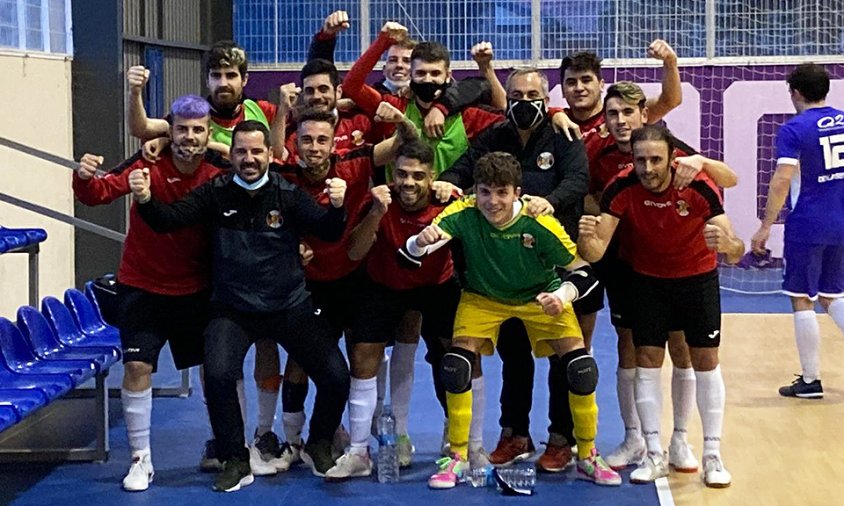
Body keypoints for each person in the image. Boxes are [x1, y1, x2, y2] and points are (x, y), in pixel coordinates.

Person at [131, 120, 351, 492]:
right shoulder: (214, 192)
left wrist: (339, 205)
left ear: (269, 154)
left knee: (336, 377)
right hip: (231, 310)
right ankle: (235, 458)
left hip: (289, 306)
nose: (249, 159)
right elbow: (168, 222)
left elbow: (329, 231)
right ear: (231, 155)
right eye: (241, 152)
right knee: (217, 376)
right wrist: (145, 199)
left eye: (256, 151)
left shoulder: (288, 194)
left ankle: (317, 443)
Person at [410, 152, 621, 489]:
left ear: (516, 192)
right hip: (483, 297)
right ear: (474, 192)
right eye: (484, 192)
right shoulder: (463, 212)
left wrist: (562, 297)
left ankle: (587, 454)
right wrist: (419, 243)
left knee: (580, 369)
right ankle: (458, 456)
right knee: (456, 365)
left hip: (541, 295)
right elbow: (414, 250)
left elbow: (582, 272)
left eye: (501, 193)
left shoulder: (539, 223)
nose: (492, 202)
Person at [127, 41, 287, 467]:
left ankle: (265, 433)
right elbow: (144, 131)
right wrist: (151, 122)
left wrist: (219, 150)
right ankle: (226, 439)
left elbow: (279, 158)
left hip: (260, 252)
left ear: (244, 80)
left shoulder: (262, 114)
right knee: (220, 360)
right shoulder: (189, 116)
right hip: (213, 264)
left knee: (267, 347)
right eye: (216, 76)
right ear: (207, 81)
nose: (223, 83)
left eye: (231, 75)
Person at [439, 67, 592, 472]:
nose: (525, 101)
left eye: (533, 93)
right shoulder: (494, 134)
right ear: (507, 98)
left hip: (550, 266)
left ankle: (562, 440)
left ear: (546, 97)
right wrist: (449, 185)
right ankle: (515, 433)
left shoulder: (563, 133)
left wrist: (550, 202)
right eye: (517, 94)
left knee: (569, 362)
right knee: (514, 357)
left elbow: (578, 180)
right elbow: (464, 167)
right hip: (499, 271)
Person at [72, 95, 227, 491]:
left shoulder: (218, 169)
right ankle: (141, 460)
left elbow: (259, 165)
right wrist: (85, 176)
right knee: (137, 368)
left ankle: (225, 444)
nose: (189, 137)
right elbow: (97, 195)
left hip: (197, 288)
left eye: (197, 130)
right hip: (142, 286)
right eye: (181, 129)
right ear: (168, 130)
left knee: (216, 369)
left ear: (208, 133)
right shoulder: (147, 163)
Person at [579, 124, 745, 488]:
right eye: (641, 160)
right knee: (648, 360)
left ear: (673, 159)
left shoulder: (698, 185)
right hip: (647, 282)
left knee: (704, 361)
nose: (648, 168)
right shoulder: (621, 187)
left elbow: (736, 249)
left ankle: (711, 455)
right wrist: (585, 237)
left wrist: (728, 243)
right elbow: (595, 252)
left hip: (696, 280)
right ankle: (654, 453)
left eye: (656, 159)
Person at [273, 102, 414, 470]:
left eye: (322, 140)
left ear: (334, 143)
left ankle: (349, 440)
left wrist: (400, 119)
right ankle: (291, 441)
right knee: (300, 363)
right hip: (307, 285)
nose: (314, 147)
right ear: (296, 143)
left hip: (355, 277)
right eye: (306, 140)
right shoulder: (284, 174)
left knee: (359, 362)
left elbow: (405, 144)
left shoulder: (354, 162)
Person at [324, 141, 461, 479]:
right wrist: (376, 213)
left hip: (436, 286)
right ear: (392, 174)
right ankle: (359, 452)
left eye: (418, 176)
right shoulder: (377, 202)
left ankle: (457, 437)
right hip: (383, 284)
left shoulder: (449, 202)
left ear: (432, 178)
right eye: (402, 174)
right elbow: (355, 253)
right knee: (364, 357)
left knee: (455, 358)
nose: (409, 182)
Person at [751, 63, 844, 399]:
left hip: (809, 223)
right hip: (842, 220)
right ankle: (810, 379)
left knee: (802, 298)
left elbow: (781, 180)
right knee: (833, 295)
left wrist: (764, 227)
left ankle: (810, 379)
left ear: (796, 93)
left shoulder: (795, 129)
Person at [342, 22, 502, 176]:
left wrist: (485, 67)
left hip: (450, 201)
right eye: (420, 73)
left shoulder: (468, 115)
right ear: (410, 74)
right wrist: (382, 42)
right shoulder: (394, 107)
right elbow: (351, 86)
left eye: (435, 73)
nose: (427, 79)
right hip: (398, 201)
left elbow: (504, 110)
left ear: (448, 76)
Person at [559, 41, 681, 146]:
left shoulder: (623, 115)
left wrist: (670, 63)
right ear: (562, 91)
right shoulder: (556, 122)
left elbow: (669, 101)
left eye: (586, 80)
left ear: (601, 84)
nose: (579, 88)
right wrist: (555, 113)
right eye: (571, 82)